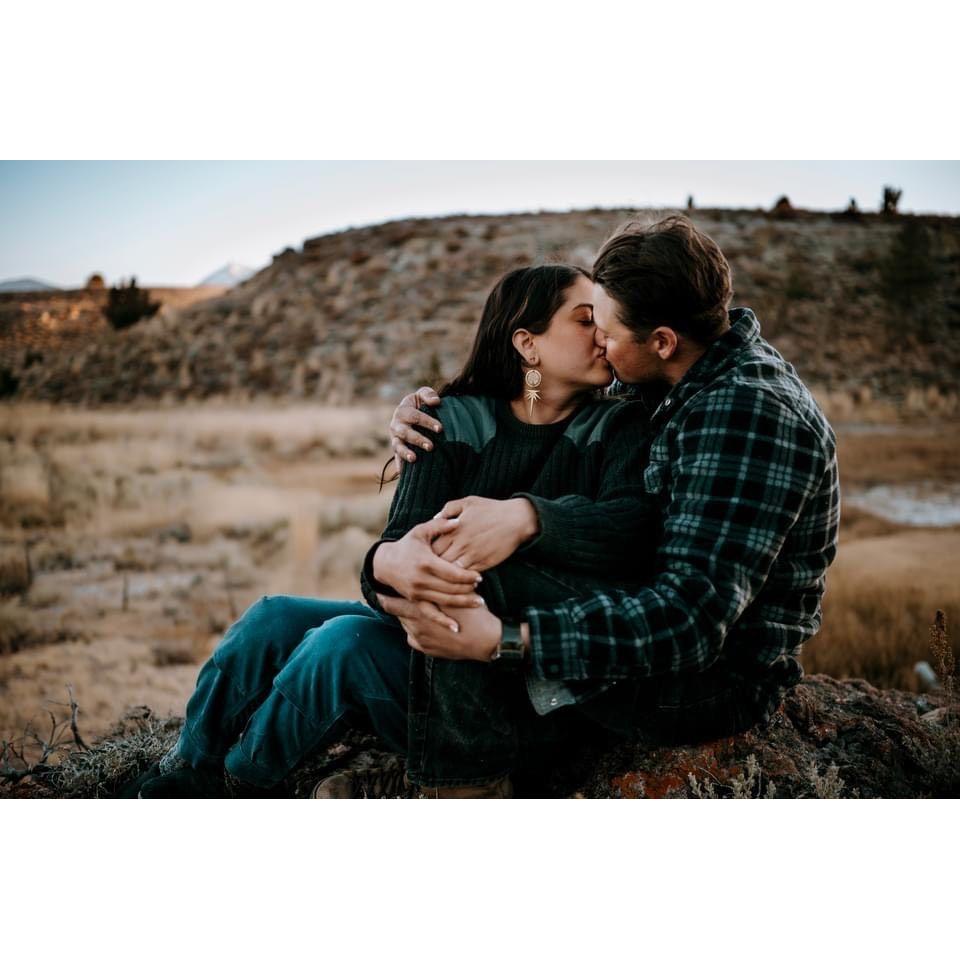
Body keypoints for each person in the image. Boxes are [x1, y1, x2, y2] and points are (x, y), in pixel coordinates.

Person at [129, 263, 657, 799]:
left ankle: (237, 786)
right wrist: (390, 568)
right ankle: (187, 768)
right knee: (273, 617)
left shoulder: (620, 425)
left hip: (515, 672)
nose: (603, 334)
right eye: (585, 320)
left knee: (342, 645)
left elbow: (630, 527)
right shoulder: (450, 421)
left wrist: (530, 521)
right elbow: (398, 547)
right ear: (528, 344)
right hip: (428, 634)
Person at [380, 214, 840, 791]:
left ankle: (467, 793)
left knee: (472, 578)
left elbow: (690, 624)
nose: (599, 341)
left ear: (661, 341)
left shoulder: (746, 415)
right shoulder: (682, 366)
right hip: (644, 615)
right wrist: (419, 413)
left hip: (709, 682)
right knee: (436, 577)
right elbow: (546, 384)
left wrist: (506, 641)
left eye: (606, 330)